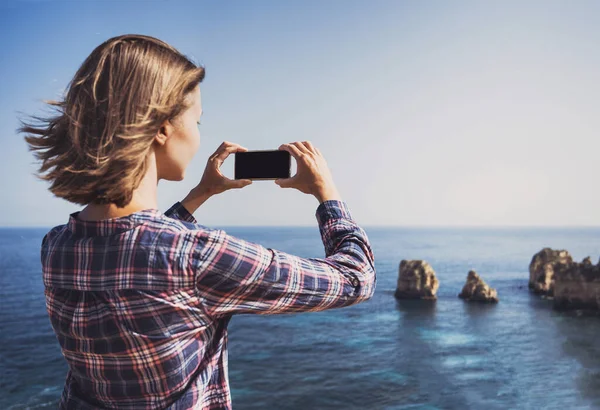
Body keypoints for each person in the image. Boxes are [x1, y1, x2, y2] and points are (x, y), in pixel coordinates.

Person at [18, 34, 376, 410]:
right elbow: (356, 279)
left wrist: (200, 193)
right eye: (197, 121)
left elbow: (134, 248)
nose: (198, 135)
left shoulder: (57, 246)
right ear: (161, 127)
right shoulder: (198, 256)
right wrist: (327, 193)